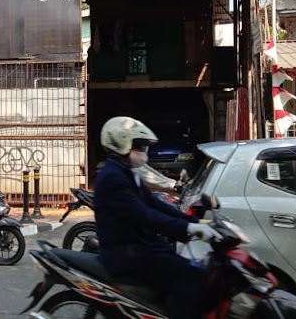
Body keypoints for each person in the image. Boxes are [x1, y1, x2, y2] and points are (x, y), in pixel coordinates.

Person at [94, 116, 221, 319]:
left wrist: (197, 222)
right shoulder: (113, 176)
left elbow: (155, 204)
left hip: (141, 246)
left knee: (192, 267)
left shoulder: (128, 171)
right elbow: (145, 215)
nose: (144, 151)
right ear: (122, 144)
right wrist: (189, 229)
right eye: (139, 146)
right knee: (187, 276)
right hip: (127, 253)